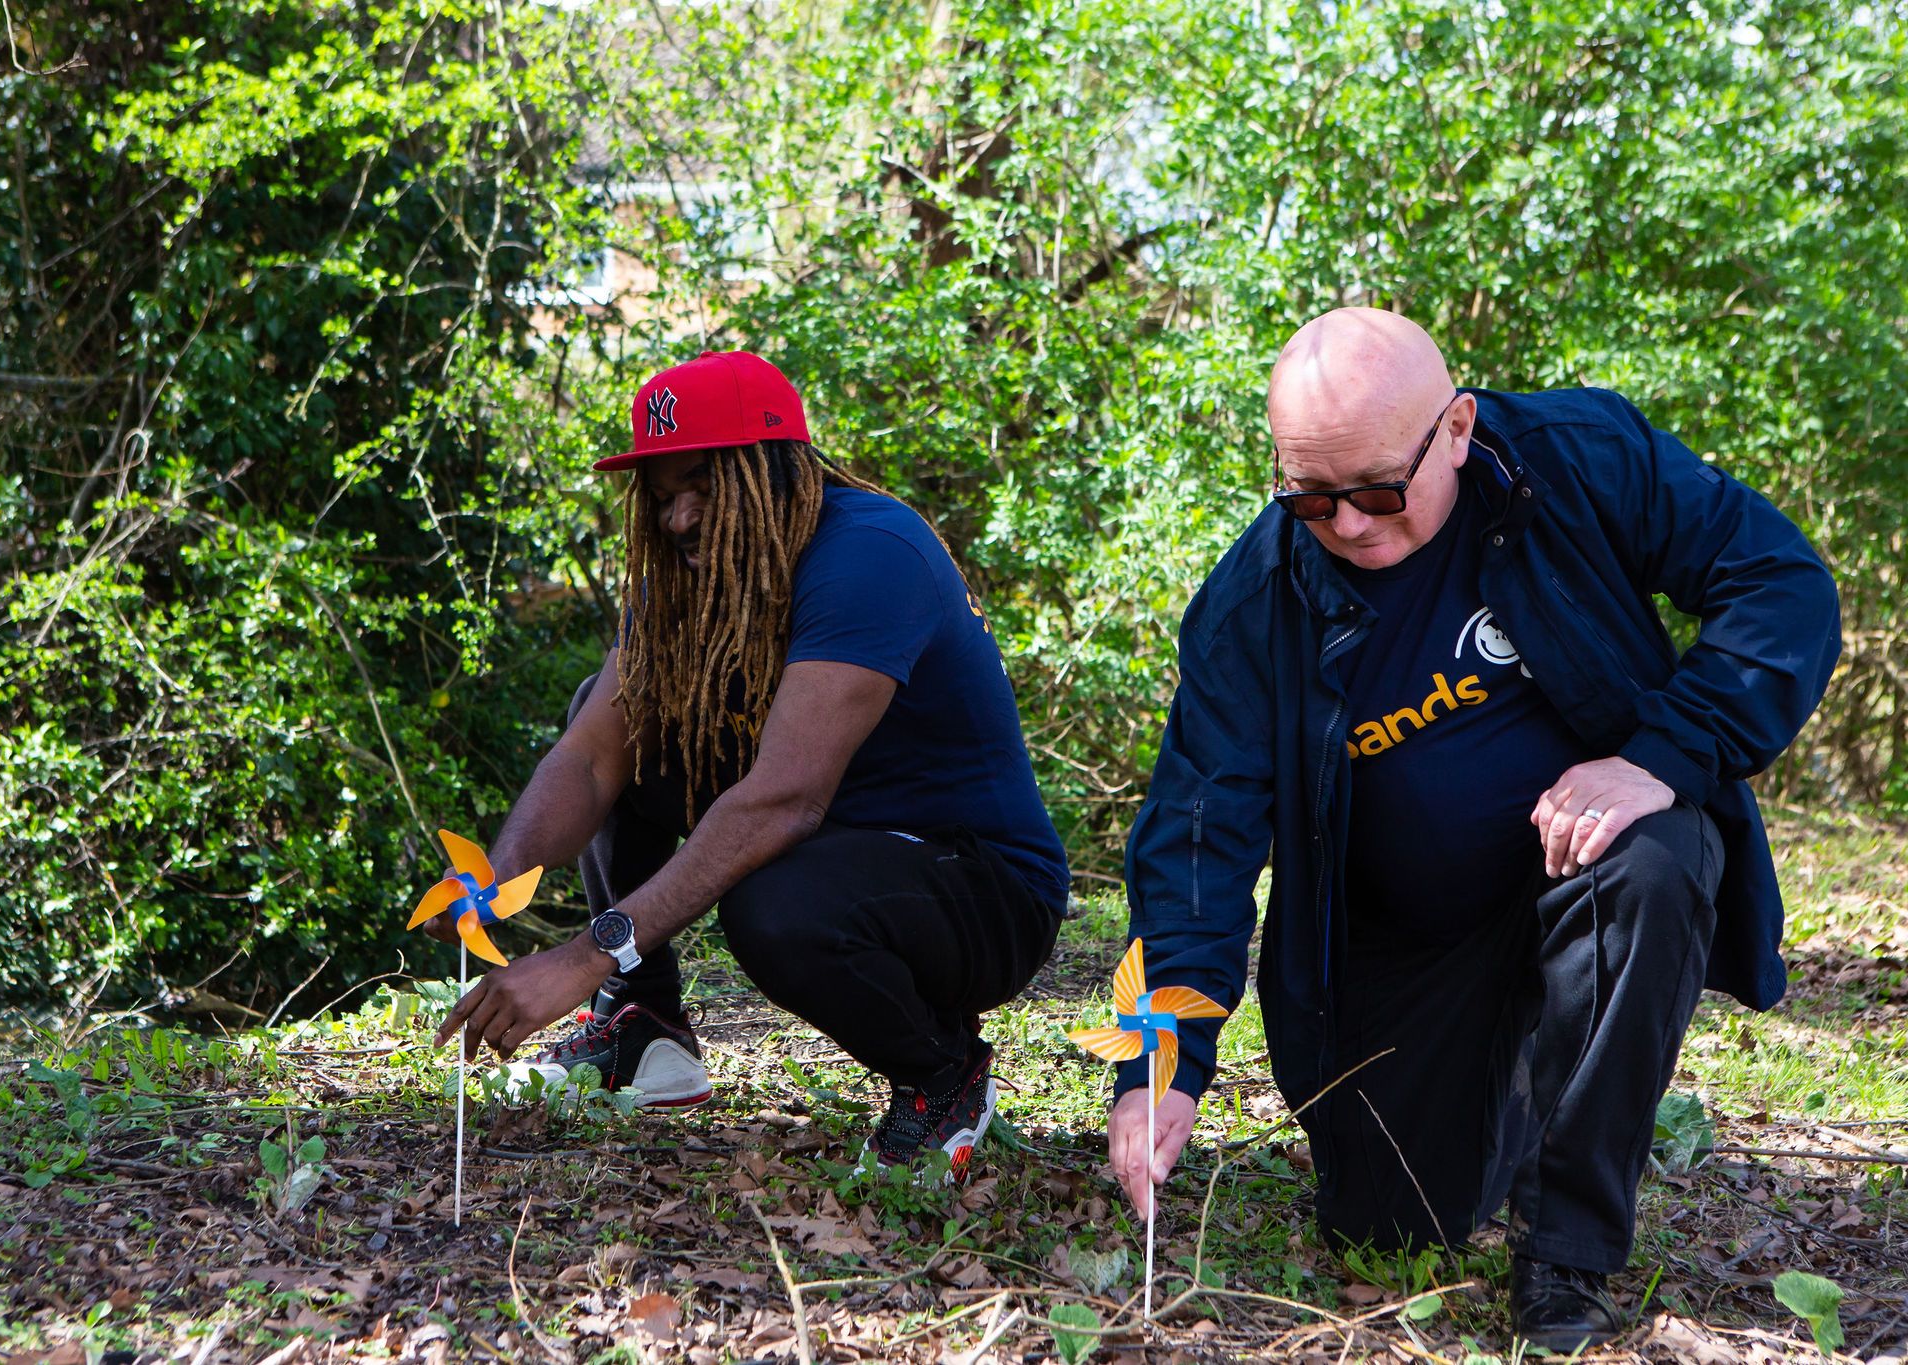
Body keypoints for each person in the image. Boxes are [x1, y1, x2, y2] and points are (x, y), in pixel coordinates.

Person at [1108, 308, 1839, 1350]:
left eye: (1374, 490)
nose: (1348, 524)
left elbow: (1780, 585)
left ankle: (1567, 1251)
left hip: (1581, 869)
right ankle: (1509, 1094)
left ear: (1453, 428)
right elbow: (1195, 835)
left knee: (1653, 860)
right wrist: (1159, 1060)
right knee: (1390, 1222)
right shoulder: (1256, 602)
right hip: (1404, 944)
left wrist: (1653, 762)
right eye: (1309, 496)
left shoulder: (1578, 461)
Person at [426, 349, 1068, 1178]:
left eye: (701, 487)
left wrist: (584, 956)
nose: (679, 519)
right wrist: (497, 873)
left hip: (979, 888)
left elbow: (781, 803)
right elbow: (592, 757)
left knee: (773, 903)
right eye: (661, 497)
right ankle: (643, 1024)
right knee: (613, 700)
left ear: (775, 474)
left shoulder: (870, 552)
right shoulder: (685, 571)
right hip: (841, 847)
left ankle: (941, 1073)